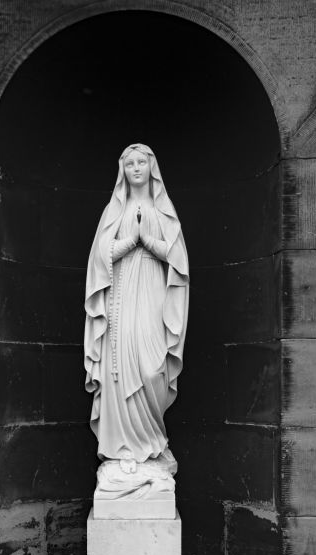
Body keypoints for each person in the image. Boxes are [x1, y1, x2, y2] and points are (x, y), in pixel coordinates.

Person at [84, 143, 189, 475]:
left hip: (154, 294)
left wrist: (148, 240)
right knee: (121, 368)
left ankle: (154, 443)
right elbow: (100, 257)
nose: (136, 168)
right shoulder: (114, 211)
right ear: (123, 170)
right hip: (122, 295)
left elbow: (178, 259)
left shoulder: (163, 210)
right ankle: (125, 447)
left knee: (152, 368)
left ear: (151, 166)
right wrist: (132, 241)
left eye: (141, 162)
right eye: (130, 163)